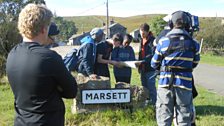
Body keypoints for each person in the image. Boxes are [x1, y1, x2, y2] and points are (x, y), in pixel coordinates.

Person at [6, 4, 77, 126]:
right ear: (44, 29)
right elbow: (71, 91)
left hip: (20, 121)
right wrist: (56, 87)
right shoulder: (49, 57)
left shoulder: (12, 54)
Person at [151, 11, 200, 126]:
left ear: (171, 24)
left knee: (164, 117)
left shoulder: (163, 41)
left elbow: (154, 63)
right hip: (185, 84)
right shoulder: (194, 44)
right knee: (184, 117)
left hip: (165, 84)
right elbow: (195, 63)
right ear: (188, 25)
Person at [137, 23, 157, 105]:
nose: (142, 35)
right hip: (142, 68)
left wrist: (143, 61)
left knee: (151, 88)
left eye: (143, 33)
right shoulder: (141, 40)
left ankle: (154, 105)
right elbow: (140, 53)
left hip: (150, 68)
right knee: (144, 87)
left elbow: (153, 54)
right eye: (141, 33)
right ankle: (146, 104)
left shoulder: (153, 41)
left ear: (148, 32)